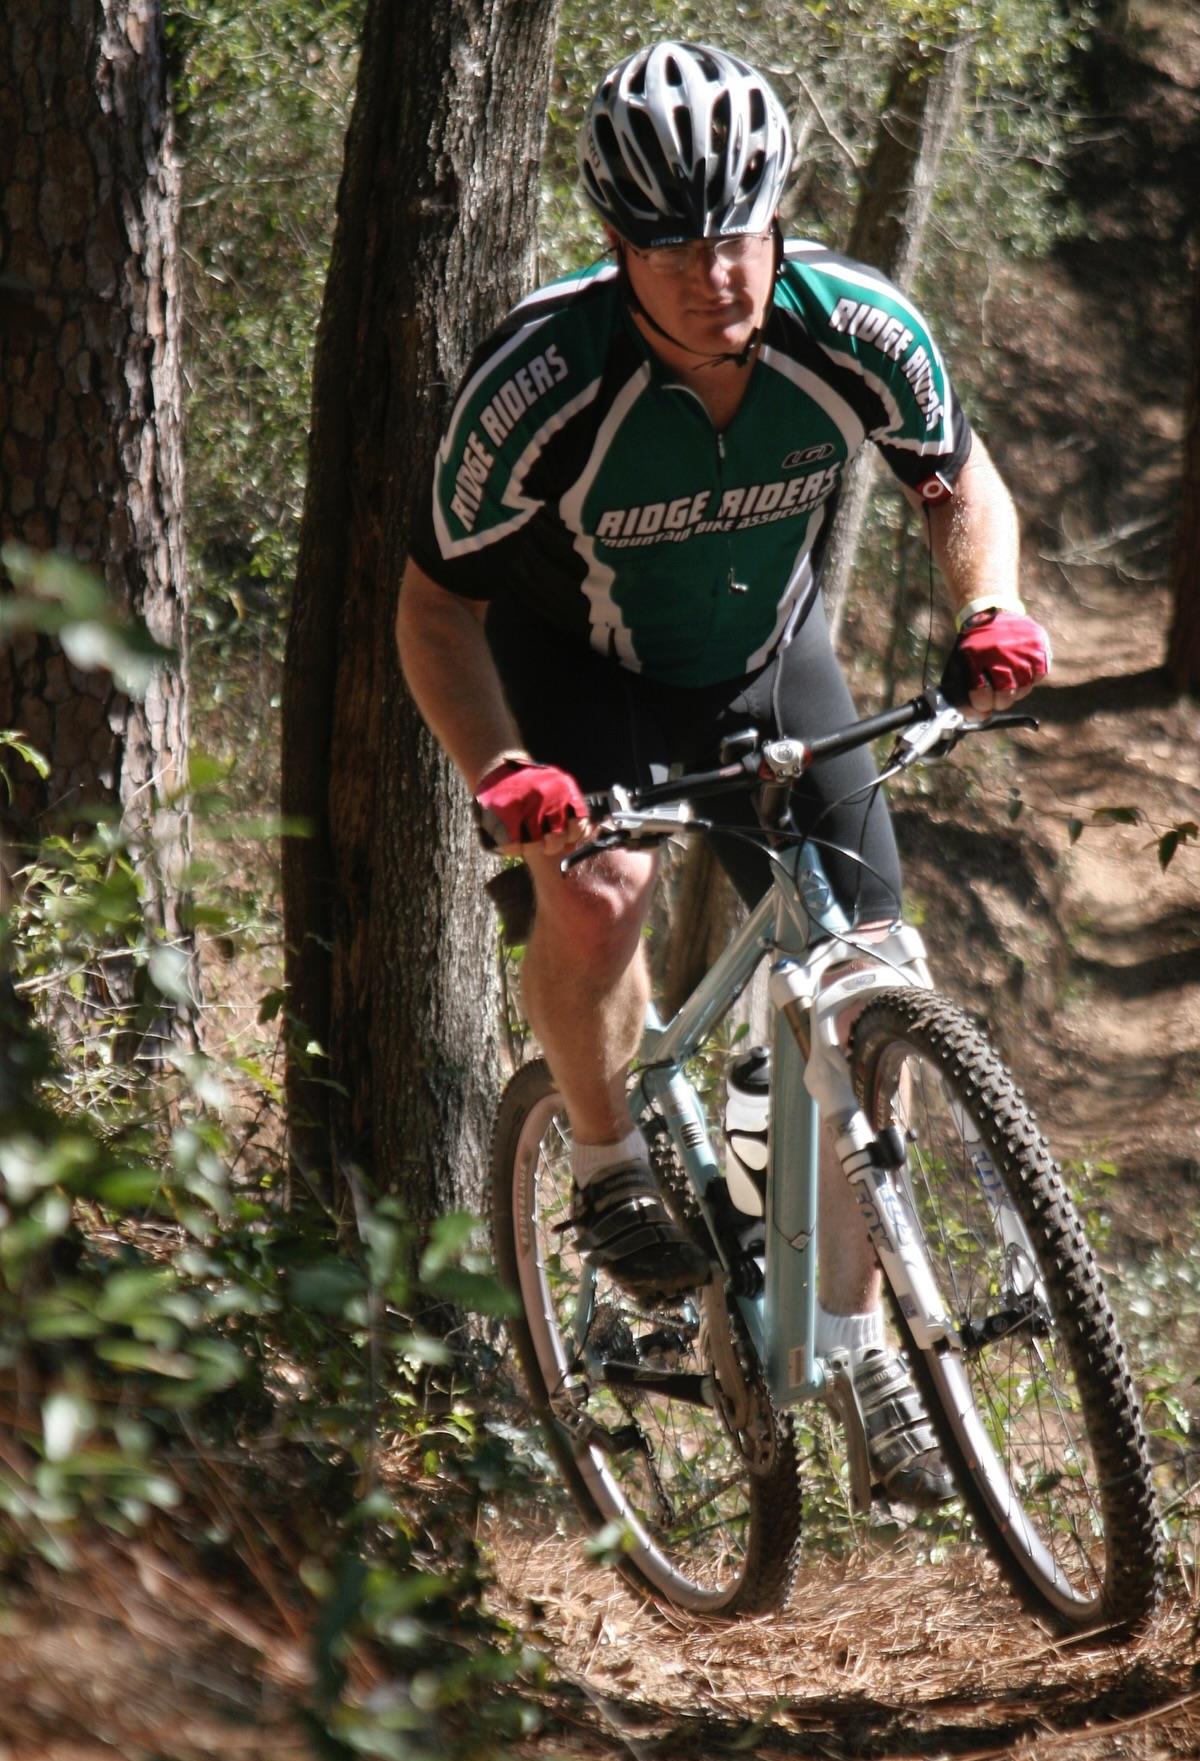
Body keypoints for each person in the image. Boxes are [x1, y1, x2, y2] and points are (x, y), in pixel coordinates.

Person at [397, 40, 1051, 1506]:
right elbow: (431, 608)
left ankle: (867, 1354)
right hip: (586, 680)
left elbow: (957, 483)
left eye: (741, 230)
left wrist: (988, 604)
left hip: (768, 665)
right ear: (619, 245)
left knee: (875, 982)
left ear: (780, 215)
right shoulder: (541, 379)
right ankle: (610, 1158)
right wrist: (503, 765)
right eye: (675, 246)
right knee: (602, 888)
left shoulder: (859, 324)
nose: (717, 273)